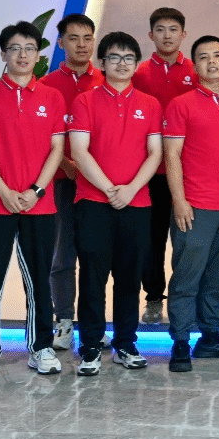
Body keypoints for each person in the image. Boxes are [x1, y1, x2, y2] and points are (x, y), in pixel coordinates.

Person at [0, 21, 68, 382]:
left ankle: (40, 346)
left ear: (38, 55)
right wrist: (5, 192)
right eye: (15, 48)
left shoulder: (52, 98)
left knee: (39, 279)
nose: (23, 55)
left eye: (30, 48)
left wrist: (36, 190)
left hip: (40, 205)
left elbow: (57, 149)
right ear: (3, 53)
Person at [67, 31, 163, 375]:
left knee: (129, 278)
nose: (121, 64)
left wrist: (131, 189)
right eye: (114, 57)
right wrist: (110, 189)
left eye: (128, 58)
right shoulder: (85, 102)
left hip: (137, 204)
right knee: (92, 278)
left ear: (136, 64)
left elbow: (155, 153)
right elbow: (79, 151)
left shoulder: (150, 104)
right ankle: (91, 346)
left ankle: (125, 343)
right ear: (102, 63)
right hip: (93, 202)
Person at [162, 35, 219, 372]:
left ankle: (210, 336)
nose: (211, 62)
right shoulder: (181, 105)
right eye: (203, 57)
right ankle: (181, 340)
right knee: (187, 276)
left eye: (217, 56)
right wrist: (179, 200)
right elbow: (172, 155)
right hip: (195, 206)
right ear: (194, 66)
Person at [40, 13, 103, 351]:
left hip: (99, 186)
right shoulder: (46, 86)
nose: (81, 44)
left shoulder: (107, 82)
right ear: (61, 42)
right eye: (74, 38)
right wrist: (68, 166)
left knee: (96, 256)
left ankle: (94, 323)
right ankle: (63, 320)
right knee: (62, 255)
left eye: (87, 38)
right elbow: (40, 138)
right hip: (62, 182)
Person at [132, 7, 196, 327]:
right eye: (160, 29)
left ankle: (186, 299)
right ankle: (154, 299)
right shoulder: (139, 73)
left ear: (183, 34)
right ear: (150, 35)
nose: (167, 35)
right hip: (151, 172)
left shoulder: (196, 71)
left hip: (189, 172)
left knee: (188, 240)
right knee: (152, 241)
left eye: (173, 29)